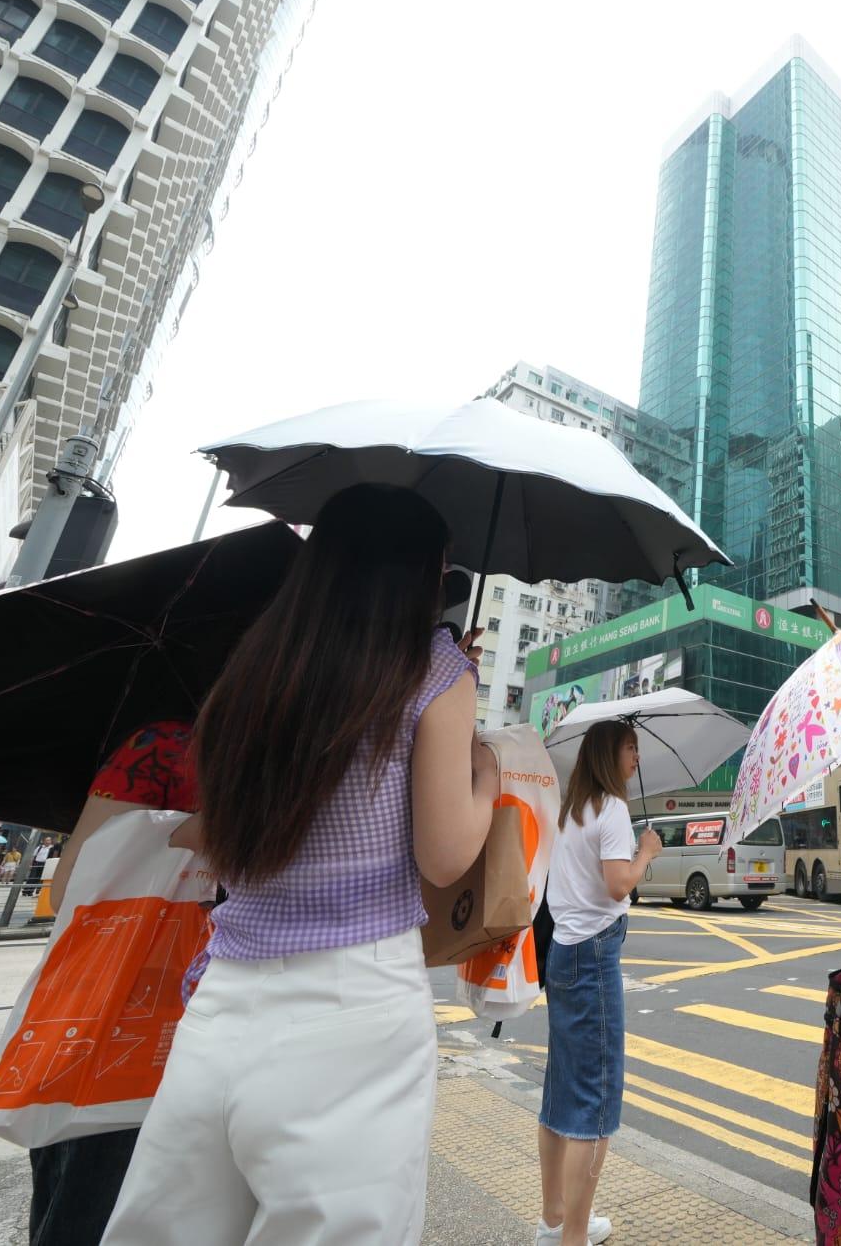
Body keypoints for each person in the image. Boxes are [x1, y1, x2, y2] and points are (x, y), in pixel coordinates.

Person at [104, 484, 498, 1244]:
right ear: (424, 572)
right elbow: (446, 855)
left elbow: (233, 832)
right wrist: (482, 770)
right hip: (356, 1004)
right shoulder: (437, 669)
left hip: (221, 1002)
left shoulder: (259, 665)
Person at [27, 721, 201, 1246]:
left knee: (90, 1200)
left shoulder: (165, 745)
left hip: (122, 1010)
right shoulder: (174, 749)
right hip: (140, 1019)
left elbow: (70, 890)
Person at [536, 719, 661, 1246]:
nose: (636, 757)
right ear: (609, 754)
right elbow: (617, 886)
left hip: (563, 953)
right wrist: (647, 853)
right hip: (593, 957)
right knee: (596, 1100)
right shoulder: (611, 809)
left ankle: (554, 1220)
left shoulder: (571, 809)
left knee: (560, 1092)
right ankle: (575, 1237)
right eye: (630, 748)